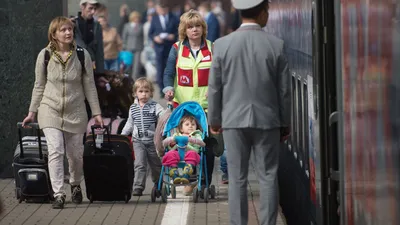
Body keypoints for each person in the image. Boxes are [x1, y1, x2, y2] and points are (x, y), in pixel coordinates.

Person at [207, 0, 291, 224]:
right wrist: (285, 123)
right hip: (268, 121)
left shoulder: (222, 45)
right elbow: (284, 91)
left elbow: (214, 88)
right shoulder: (276, 45)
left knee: (237, 179)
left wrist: (214, 119)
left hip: (233, 121)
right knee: (268, 177)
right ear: (263, 13)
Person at [22, 16, 103, 209]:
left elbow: (90, 86)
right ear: (54, 34)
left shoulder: (82, 55)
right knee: (56, 150)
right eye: (63, 30)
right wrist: (32, 112)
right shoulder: (45, 55)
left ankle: (75, 183)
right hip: (49, 109)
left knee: (75, 155)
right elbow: (39, 85)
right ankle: (58, 193)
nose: (68, 33)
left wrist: (97, 112)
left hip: (76, 111)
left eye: (70, 29)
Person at [163, 9, 216, 196]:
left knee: (206, 146)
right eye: (190, 27)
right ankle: (186, 177)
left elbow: (220, 73)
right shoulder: (177, 48)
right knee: (181, 145)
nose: (194, 30)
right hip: (182, 108)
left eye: (198, 26)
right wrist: (168, 88)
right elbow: (169, 72)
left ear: (203, 29)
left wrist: (215, 87)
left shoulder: (212, 47)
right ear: (184, 30)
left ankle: (202, 182)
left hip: (206, 108)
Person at [121, 77, 164, 196]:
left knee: (155, 164)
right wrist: (123, 136)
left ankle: (158, 184)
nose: (144, 94)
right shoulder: (133, 108)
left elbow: (162, 114)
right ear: (135, 93)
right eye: (141, 91)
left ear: (151, 92)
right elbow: (130, 123)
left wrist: (165, 115)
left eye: (146, 91)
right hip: (137, 140)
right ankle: (138, 186)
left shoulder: (154, 106)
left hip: (152, 141)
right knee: (139, 164)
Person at [162, 115, 205, 184]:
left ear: (196, 126)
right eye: (187, 124)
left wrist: (188, 144)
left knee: (193, 153)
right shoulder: (176, 135)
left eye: (193, 124)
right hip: (177, 155)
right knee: (170, 153)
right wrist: (172, 144)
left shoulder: (196, 135)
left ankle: (187, 172)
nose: (190, 126)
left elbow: (197, 149)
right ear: (181, 129)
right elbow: (170, 147)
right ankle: (174, 172)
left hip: (190, 156)